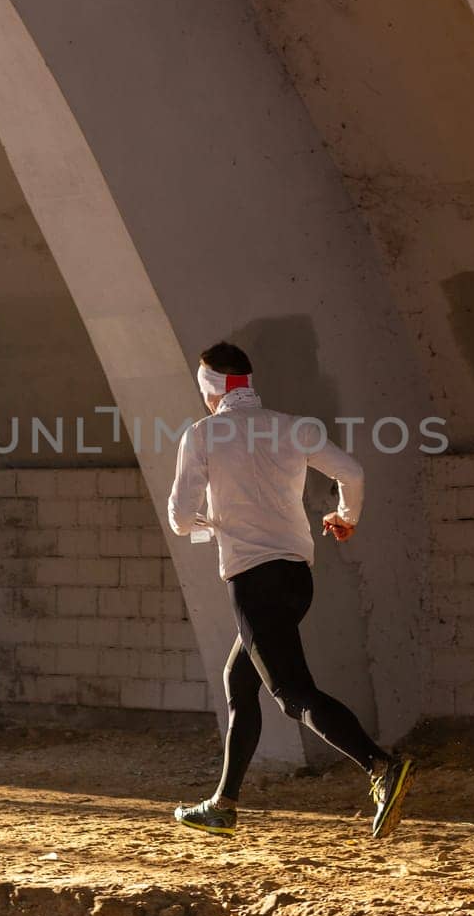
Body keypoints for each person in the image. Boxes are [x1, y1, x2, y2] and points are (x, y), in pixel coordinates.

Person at [165, 341, 413, 840]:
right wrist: (345, 518)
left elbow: (178, 518)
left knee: (292, 694)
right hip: (297, 579)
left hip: (252, 581)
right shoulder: (293, 426)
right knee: (240, 682)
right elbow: (354, 472)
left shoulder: (203, 436)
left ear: (212, 388)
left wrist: (212, 523)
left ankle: (381, 767)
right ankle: (224, 804)